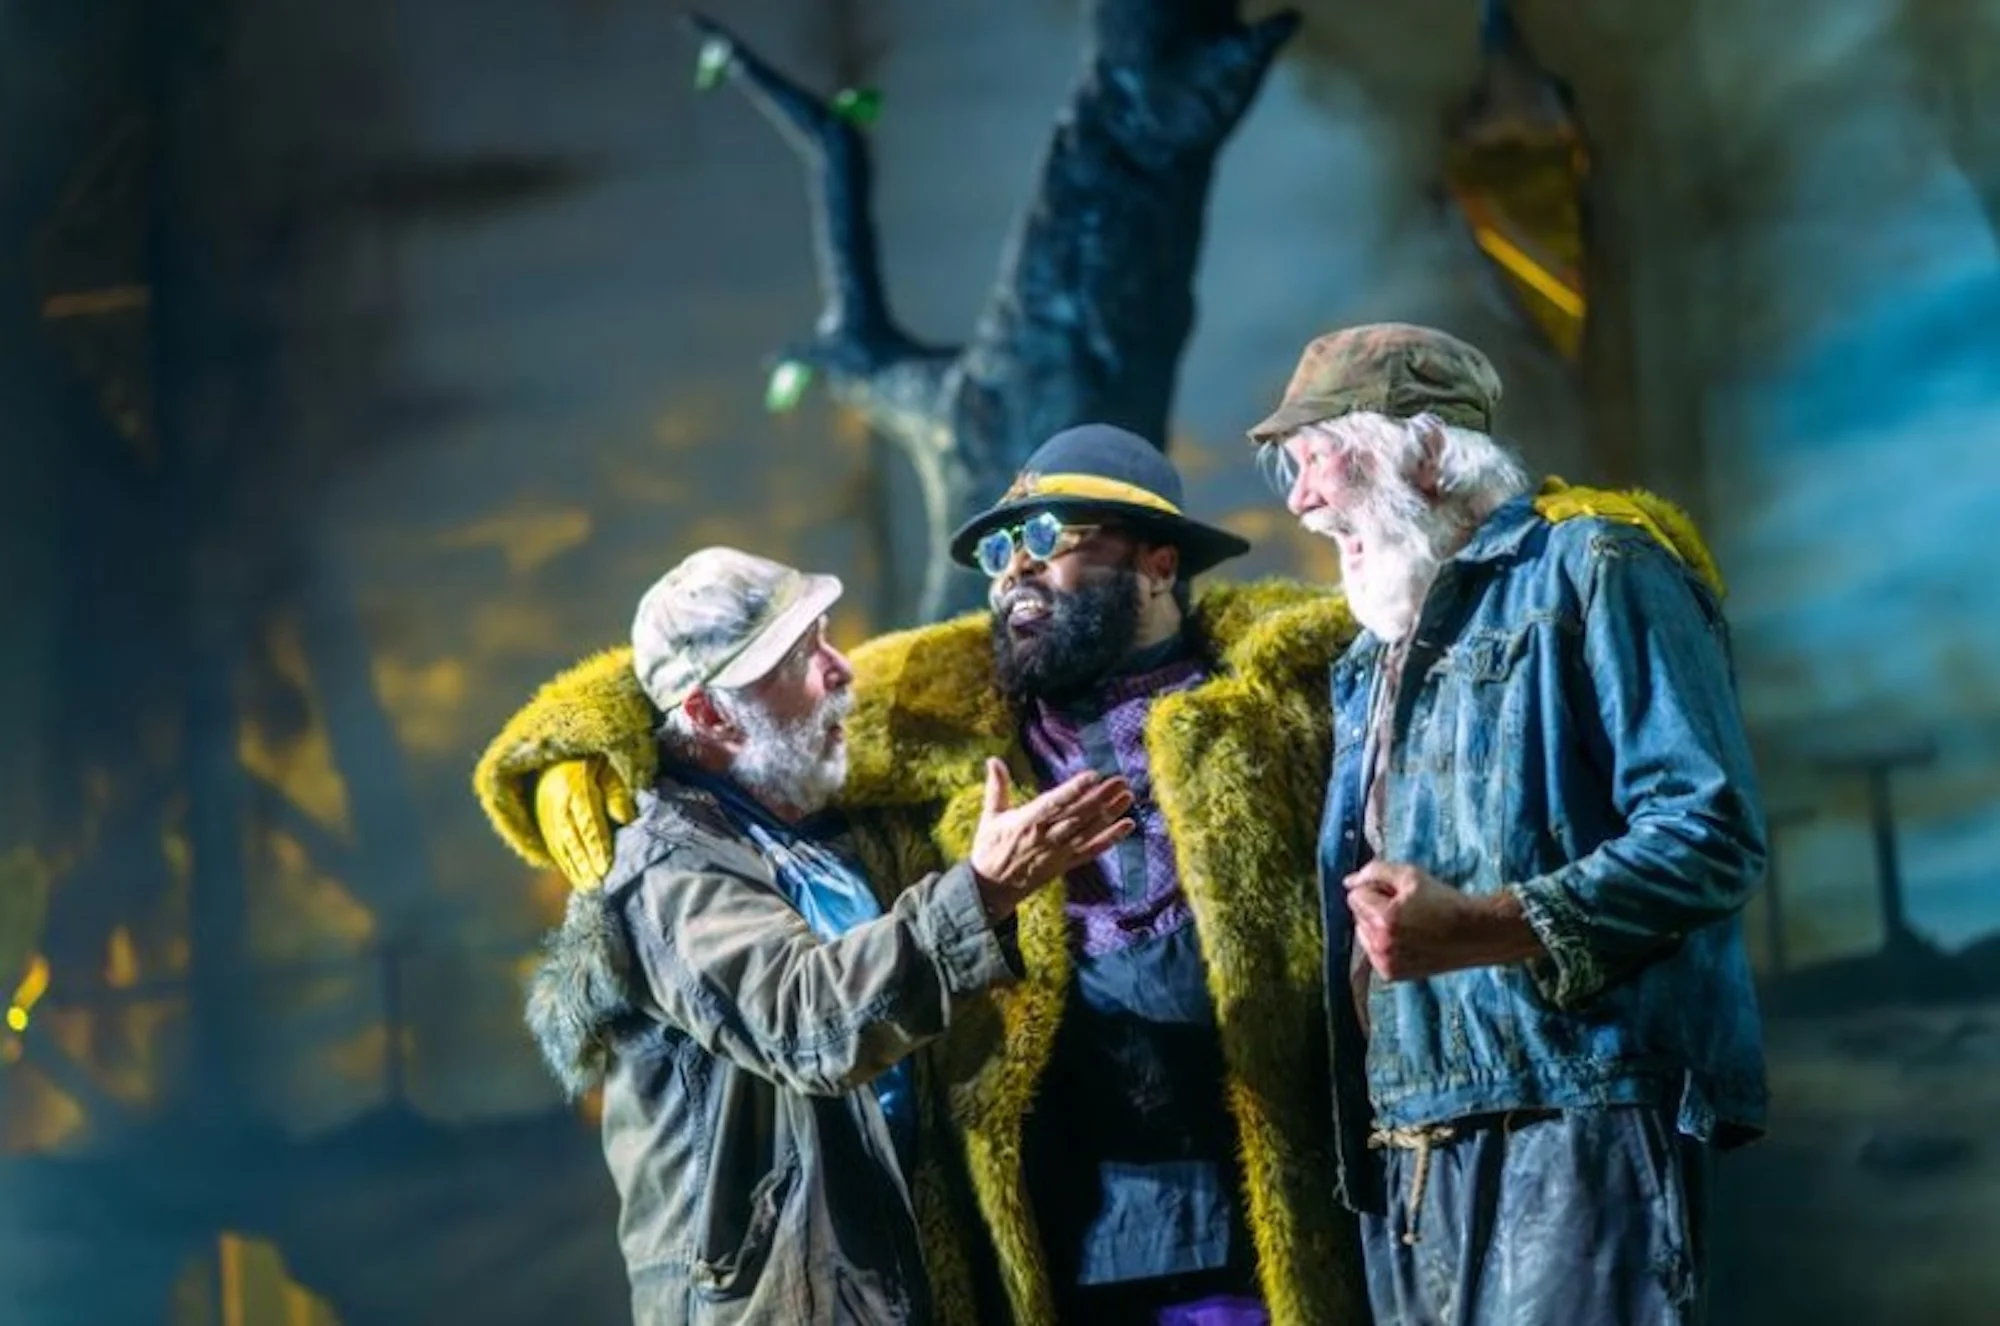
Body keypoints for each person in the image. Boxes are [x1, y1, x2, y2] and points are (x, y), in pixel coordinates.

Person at [476, 427, 1373, 1326]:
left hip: (1281, 1222)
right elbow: (715, 694)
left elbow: (1406, 614)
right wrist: (584, 735)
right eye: (996, 548)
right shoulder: (933, 713)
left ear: (1155, 562)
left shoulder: (1280, 690)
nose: (1011, 569)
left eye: (1047, 535)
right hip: (1066, 1247)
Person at [1249, 322, 1769, 1326]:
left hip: (1568, 1115)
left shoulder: (1594, 566)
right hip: (1403, 1140)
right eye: (1294, 469)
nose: (1304, 498)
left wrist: (1487, 926)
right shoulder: (1369, 661)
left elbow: (1708, 833)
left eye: (1320, 456)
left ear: (1432, 453)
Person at [517, 546, 1136, 1326]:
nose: (842, 670)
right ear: (709, 715)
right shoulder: (663, 867)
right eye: (801, 658)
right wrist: (982, 890)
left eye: (825, 637)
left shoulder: (802, 817)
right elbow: (810, 1022)